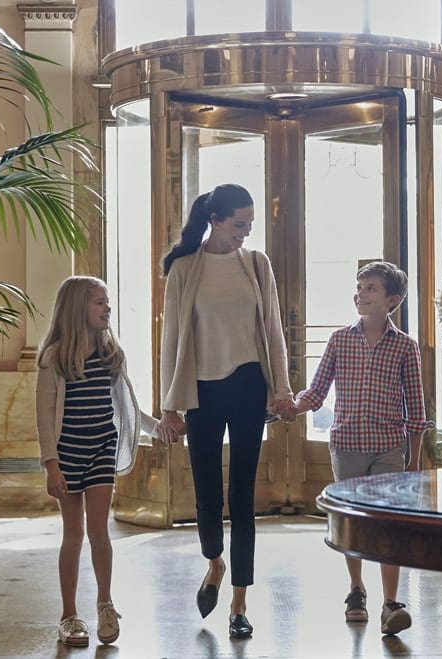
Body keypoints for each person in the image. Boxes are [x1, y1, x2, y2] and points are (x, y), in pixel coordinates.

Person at [159, 183, 294, 640]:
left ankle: (239, 600)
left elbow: (273, 329)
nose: (245, 233)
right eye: (239, 225)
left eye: (250, 226)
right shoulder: (184, 268)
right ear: (215, 219)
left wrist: (282, 389)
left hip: (249, 385)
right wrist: (170, 406)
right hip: (201, 390)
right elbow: (172, 340)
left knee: (242, 497)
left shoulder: (256, 264)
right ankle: (214, 561)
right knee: (206, 493)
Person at [288, 261, 434, 636]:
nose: (361, 294)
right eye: (359, 287)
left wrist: (414, 460)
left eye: (370, 288)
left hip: (388, 446)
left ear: (392, 300)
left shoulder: (405, 346)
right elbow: (317, 391)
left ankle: (391, 601)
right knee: (352, 522)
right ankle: (356, 589)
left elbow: (416, 409)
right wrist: (293, 406)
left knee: (387, 522)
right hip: (347, 444)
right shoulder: (340, 340)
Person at [36, 275, 162, 648]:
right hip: (67, 452)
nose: (107, 308)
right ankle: (69, 614)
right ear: (78, 308)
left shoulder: (110, 355)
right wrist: (51, 465)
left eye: (107, 301)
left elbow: (128, 406)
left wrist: (159, 430)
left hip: (101, 448)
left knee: (99, 532)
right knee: (73, 535)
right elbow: (44, 417)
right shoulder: (54, 358)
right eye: (98, 302)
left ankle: (105, 604)